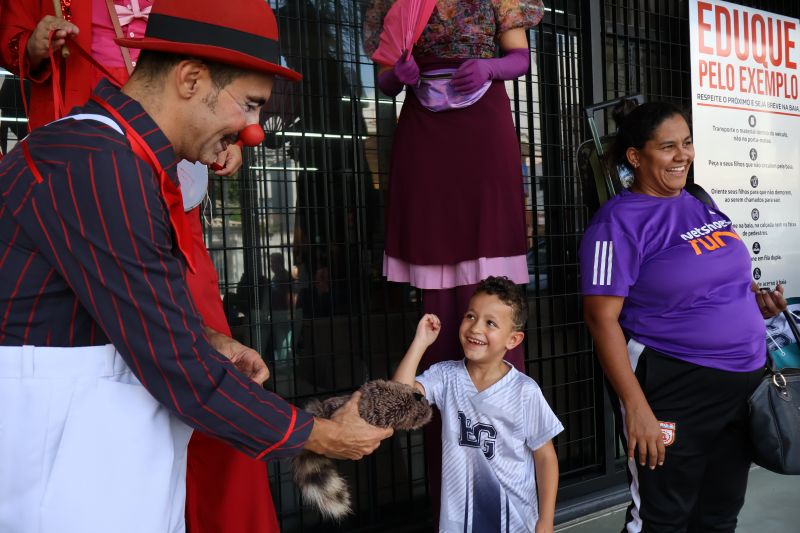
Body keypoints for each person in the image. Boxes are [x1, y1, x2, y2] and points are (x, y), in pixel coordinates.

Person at [0, 1, 392, 532]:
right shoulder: (97, 165)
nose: (253, 131)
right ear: (190, 79)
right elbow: (174, 364)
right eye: (249, 105)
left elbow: (117, 306)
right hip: (65, 482)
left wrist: (206, 337)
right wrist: (321, 435)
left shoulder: (109, 157)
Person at [363, 0, 545, 514]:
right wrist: (398, 76)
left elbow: (519, 58)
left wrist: (488, 67)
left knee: (492, 288)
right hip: (425, 129)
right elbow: (385, 79)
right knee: (439, 301)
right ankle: (451, 498)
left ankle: (510, 492)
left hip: (482, 125)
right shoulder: (394, 3)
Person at [579, 101, 787, 533]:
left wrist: (756, 303)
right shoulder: (616, 224)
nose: (682, 155)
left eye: (687, 143)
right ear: (636, 157)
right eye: (667, 146)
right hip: (675, 387)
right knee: (662, 518)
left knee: (719, 515)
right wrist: (636, 407)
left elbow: (725, 281)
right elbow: (601, 320)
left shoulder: (699, 201)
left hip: (742, 386)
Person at [393, 276, 563, 532]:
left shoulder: (524, 391)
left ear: (513, 340)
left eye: (490, 323)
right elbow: (399, 398)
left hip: (515, 524)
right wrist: (420, 342)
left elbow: (546, 458)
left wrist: (546, 520)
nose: (475, 328)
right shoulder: (446, 376)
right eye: (471, 316)